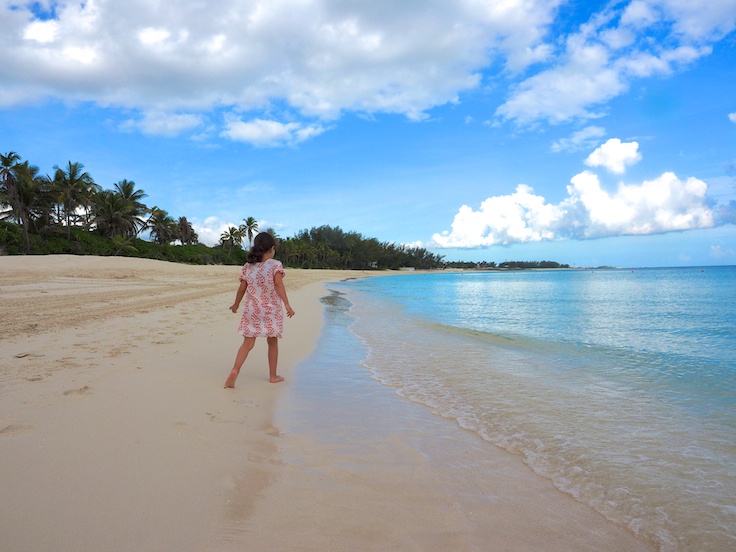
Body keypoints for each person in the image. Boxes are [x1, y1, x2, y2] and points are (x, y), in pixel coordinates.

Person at [224, 232, 295, 387]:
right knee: (272, 342)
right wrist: (287, 304)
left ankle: (235, 369)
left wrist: (236, 304)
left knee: (248, 342)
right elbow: (278, 284)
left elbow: (242, 288)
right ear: (272, 248)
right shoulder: (275, 265)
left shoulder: (248, 267)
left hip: (252, 310)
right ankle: (273, 376)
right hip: (271, 310)